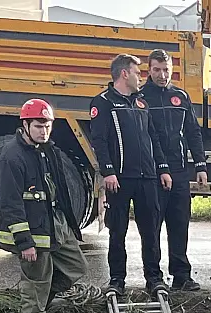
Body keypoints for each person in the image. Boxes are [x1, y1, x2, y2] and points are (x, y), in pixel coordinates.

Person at [0, 98, 94, 313]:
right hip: (31, 231)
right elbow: (9, 203)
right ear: (25, 125)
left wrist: (70, 224)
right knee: (35, 283)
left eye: (48, 126)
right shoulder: (11, 156)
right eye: (39, 126)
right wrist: (24, 242)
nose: (44, 131)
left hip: (54, 224)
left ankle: (40, 305)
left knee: (76, 266)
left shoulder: (47, 150)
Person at [89, 53, 172, 295]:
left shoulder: (142, 103)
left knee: (151, 230)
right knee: (118, 232)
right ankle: (117, 280)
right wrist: (108, 172)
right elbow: (99, 141)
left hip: (147, 178)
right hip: (120, 180)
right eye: (137, 72)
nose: (141, 77)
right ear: (124, 73)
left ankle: (154, 278)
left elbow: (153, 138)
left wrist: (162, 168)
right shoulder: (103, 102)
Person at [141, 49, 209, 291]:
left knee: (179, 224)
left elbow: (193, 132)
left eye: (166, 70)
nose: (162, 75)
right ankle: (154, 277)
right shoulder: (140, 98)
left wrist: (200, 165)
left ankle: (182, 275)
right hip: (152, 174)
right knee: (152, 227)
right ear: (148, 70)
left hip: (179, 170)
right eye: (157, 70)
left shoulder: (180, 96)